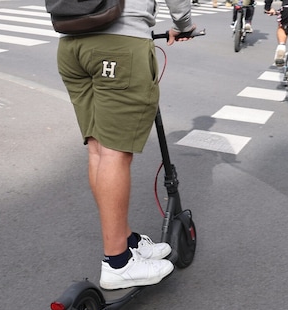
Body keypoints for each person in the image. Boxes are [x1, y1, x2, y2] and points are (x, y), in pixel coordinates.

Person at [55, 0, 196, 290]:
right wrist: (184, 25)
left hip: (71, 43)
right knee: (114, 154)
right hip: (119, 43)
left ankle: (126, 240)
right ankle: (118, 262)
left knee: (97, 149)